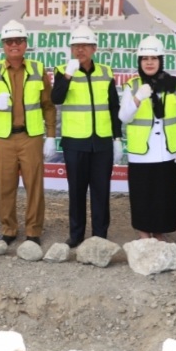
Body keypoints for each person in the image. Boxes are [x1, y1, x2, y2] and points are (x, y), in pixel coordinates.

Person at [0, 20, 57, 245]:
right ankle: (9, 229)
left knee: (35, 186)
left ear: (25, 43)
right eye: (9, 41)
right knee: (5, 186)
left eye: (19, 40)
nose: (14, 45)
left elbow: (48, 105)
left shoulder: (38, 69)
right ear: (3, 44)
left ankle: (33, 231)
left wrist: (51, 136)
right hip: (2, 138)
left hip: (30, 137)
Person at [52, 25, 122, 248]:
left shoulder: (106, 72)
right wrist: (67, 75)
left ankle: (100, 235)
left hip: (102, 142)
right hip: (75, 142)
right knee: (77, 191)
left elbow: (114, 107)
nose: (79, 50)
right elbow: (56, 98)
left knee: (101, 191)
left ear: (94, 48)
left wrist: (117, 138)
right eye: (75, 46)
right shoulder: (62, 70)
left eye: (84, 45)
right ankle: (76, 235)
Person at [118, 35, 176, 240]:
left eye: (154, 58)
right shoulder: (132, 86)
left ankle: (159, 233)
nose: (149, 62)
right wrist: (137, 98)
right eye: (145, 58)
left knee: (164, 196)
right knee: (142, 196)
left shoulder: (174, 86)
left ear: (161, 60)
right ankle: (143, 234)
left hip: (168, 152)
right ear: (139, 61)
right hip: (141, 153)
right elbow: (123, 117)